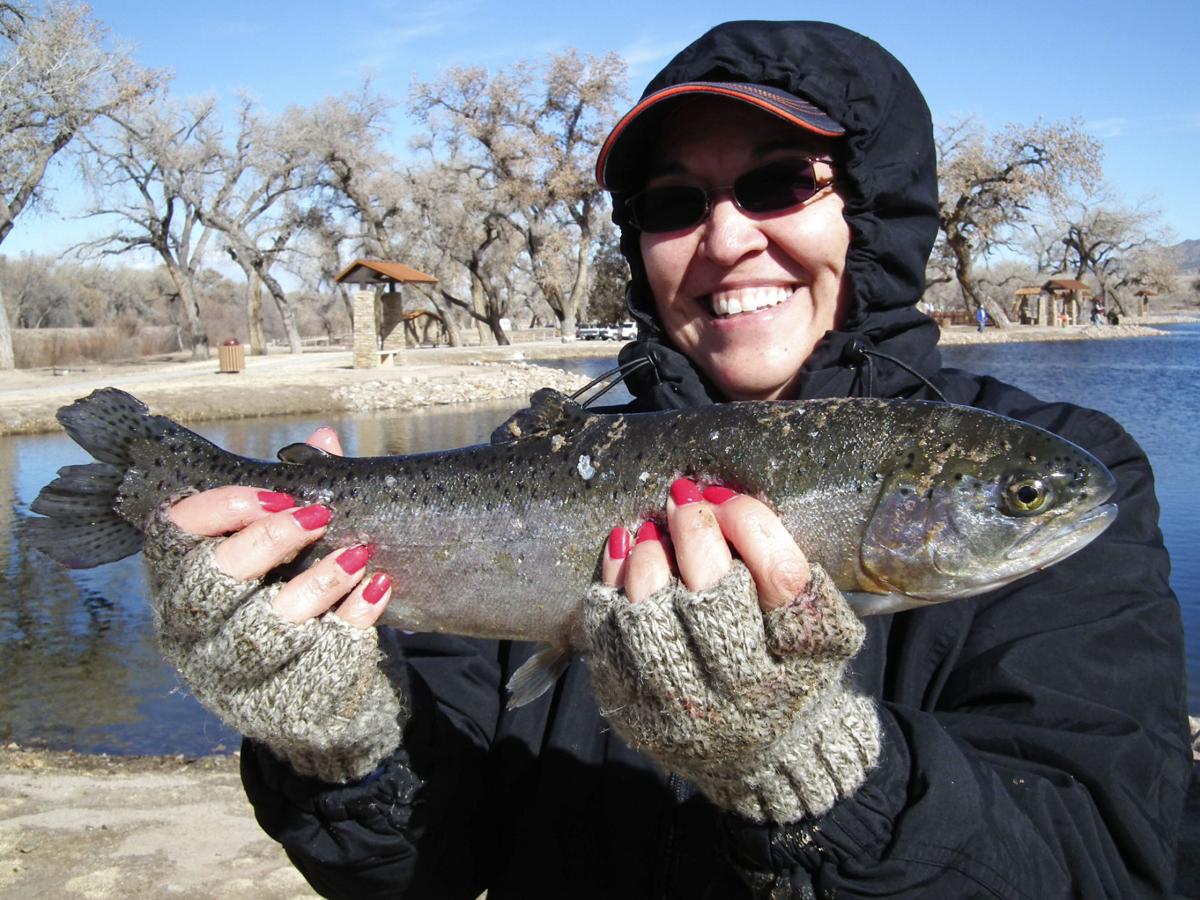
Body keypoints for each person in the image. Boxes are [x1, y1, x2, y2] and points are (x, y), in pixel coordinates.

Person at [141, 20, 1192, 898]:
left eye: (779, 183)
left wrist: (820, 774)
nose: (725, 241)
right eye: (674, 205)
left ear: (877, 210)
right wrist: (342, 749)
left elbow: (1105, 861)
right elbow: (424, 869)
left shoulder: (1079, 467)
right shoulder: (545, 457)